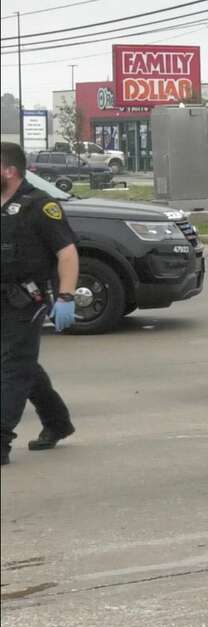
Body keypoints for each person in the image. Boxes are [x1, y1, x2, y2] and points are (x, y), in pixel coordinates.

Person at [1, 141, 79, 466]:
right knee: (24, 366)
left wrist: (66, 297)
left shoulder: (40, 206)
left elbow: (67, 253)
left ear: (10, 171)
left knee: (13, 366)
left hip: (26, 299)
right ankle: (58, 422)